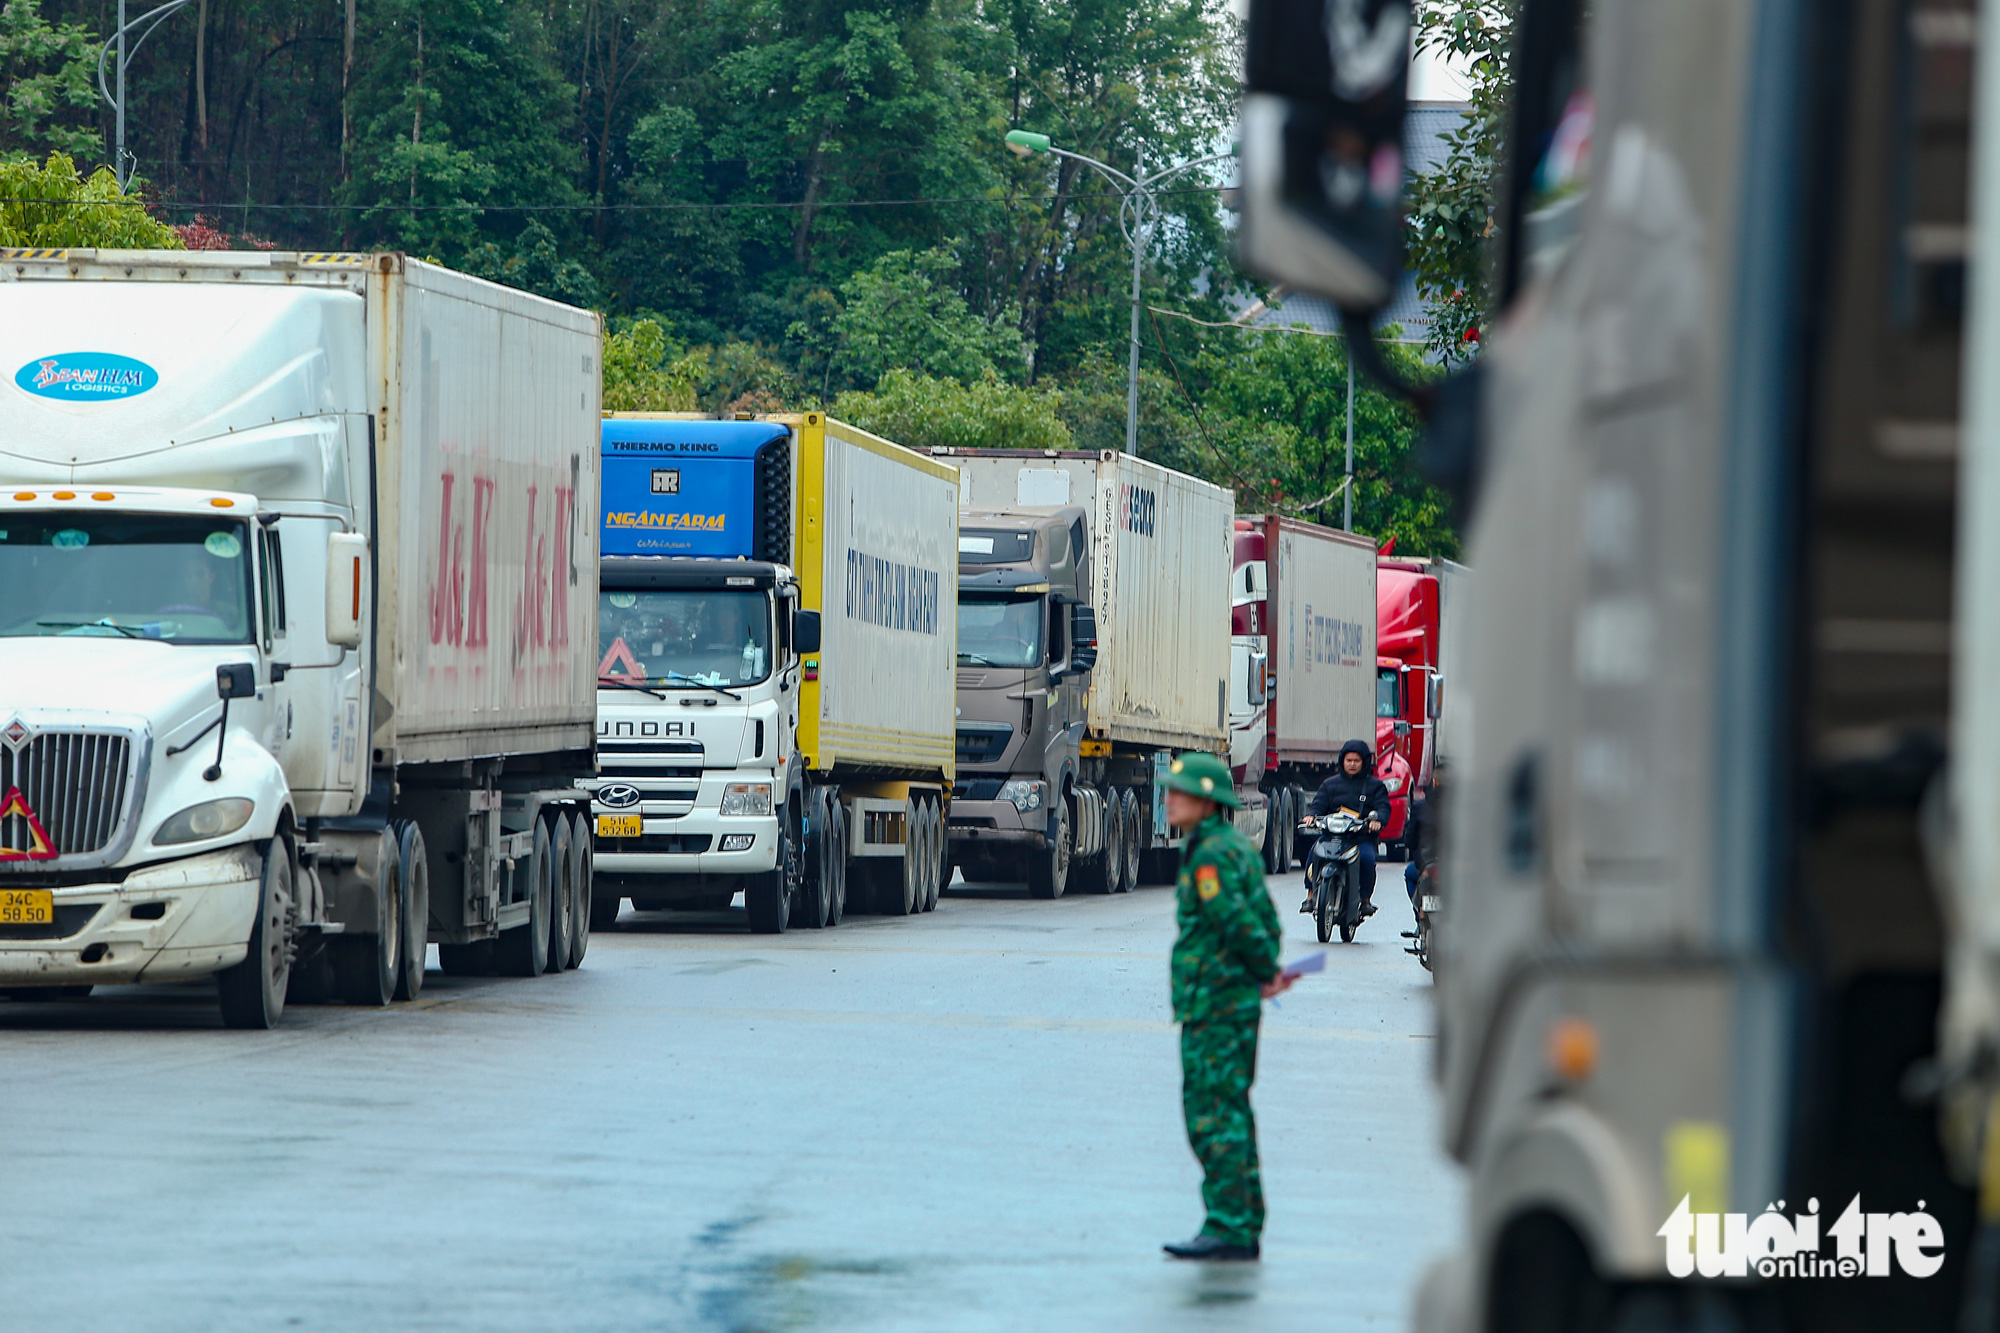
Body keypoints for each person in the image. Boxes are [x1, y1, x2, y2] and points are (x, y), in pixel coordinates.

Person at [1160, 751, 1294, 1263]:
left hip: (1215, 1004)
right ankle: (1240, 1222)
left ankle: (1230, 1226)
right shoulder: (1231, 847)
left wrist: (1262, 970)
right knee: (1230, 1110)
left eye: (1181, 793)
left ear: (1207, 801)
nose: (1170, 800)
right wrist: (1265, 968)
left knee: (1212, 1114)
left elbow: (1236, 920)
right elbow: (1266, 918)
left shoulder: (1211, 856)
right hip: (1228, 1001)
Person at [1302, 740, 1391, 918]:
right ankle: (1310, 895)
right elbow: (1318, 804)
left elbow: (1383, 807)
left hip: (1361, 839)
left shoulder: (1375, 786)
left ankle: (1365, 899)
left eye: (1356, 761)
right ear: (1342, 761)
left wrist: (1378, 821)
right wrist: (1312, 815)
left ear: (1364, 762)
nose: (1352, 764)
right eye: (1348, 760)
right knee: (1314, 854)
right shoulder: (1330, 784)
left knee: (1366, 859)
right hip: (1332, 837)